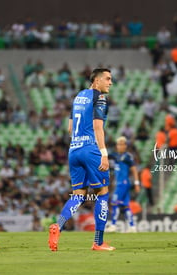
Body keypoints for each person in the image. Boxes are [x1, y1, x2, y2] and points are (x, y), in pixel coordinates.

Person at [48, 68, 115, 251]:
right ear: (96, 81)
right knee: (102, 192)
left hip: (74, 150)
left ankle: (58, 225)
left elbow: (70, 128)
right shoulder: (99, 97)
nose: (110, 82)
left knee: (78, 195)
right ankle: (98, 242)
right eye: (107, 79)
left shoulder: (78, 97)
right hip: (90, 150)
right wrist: (104, 153)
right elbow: (98, 127)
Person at [105, 136, 140, 233]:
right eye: (118, 144)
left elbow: (134, 169)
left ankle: (113, 225)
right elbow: (106, 155)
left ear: (125, 146)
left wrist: (137, 183)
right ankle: (132, 226)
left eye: (121, 144)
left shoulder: (127, 157)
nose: (119, 146)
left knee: (114, 202)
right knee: (125, 206)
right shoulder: (116, 156)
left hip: (123, 183)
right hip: (120, 183)